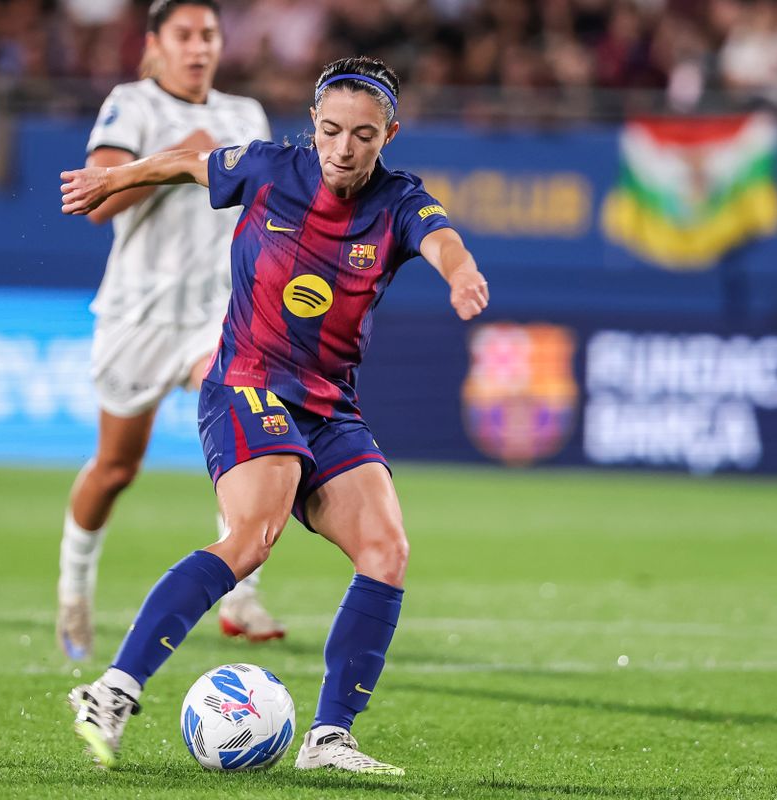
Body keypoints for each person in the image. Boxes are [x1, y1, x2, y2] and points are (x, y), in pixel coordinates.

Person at [59, 56, 489, 774]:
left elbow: (441, 238)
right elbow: (188, 164)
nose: (343, 150)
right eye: (330, 131)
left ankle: (329, 739)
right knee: (252, 538)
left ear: (389, 134)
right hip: (246, 383)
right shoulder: (267, 169)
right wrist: (114, 177)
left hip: (329, 406)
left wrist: (462, 271)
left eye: (362, 134)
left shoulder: (399, 202)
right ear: (312, 127)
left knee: (387, 551)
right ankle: (111, 691)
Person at [56, 0, 285, 660]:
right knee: (115, 468)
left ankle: (242, 593)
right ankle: (74, 590)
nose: (198, 47)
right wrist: (183, 157)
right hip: (137, 316)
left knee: (249, 430)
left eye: (208, 35)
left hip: (217, 315)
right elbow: (96, 201)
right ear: (153, 44)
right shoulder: (131, 105)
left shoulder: (245, 116)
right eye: (183, 35)